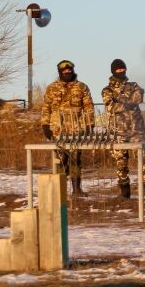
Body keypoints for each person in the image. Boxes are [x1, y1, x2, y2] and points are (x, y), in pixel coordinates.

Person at [41, 60, 95, 196]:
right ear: (60, 72)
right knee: (60, 159)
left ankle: (77, 189)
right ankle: (60, 190)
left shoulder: (82, 87)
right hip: (57, 130)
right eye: (64, 70)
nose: (67, 72)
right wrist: (45, 125)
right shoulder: (51, 88)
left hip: (76, 130)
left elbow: (89, 108)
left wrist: (89, 124)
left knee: (75, 159)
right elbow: (46, 107)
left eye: (69, 69)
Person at [101, 59, 145, 200]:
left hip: (137, 129)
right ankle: (125, 194)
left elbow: (138, 97)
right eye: (118, 70)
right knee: (121, 163)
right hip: (118, 131)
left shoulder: (133, 85)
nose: (120, 71)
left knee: (143, 161)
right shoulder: (107, 90)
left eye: (122, 69)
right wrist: (128, 103)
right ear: (113, 71)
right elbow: (111, 107)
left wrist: (121, 102)